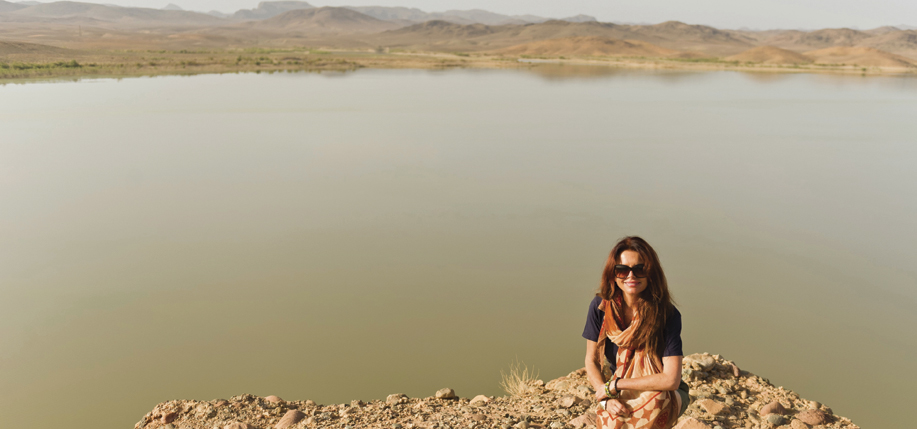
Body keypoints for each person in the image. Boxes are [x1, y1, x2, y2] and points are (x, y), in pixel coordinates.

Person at [582, 236, 689, 429]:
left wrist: (616, 385)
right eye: (622, 270)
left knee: (656, 402)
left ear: (651, 273)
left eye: (640, 269)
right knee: (614, 418)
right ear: (613, 275)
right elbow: (591, 360)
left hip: (662, 391)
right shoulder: (600, 308)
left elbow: (671, 379)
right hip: (616, 389)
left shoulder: (667, 314)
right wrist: (605, 397)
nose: (631, 276)